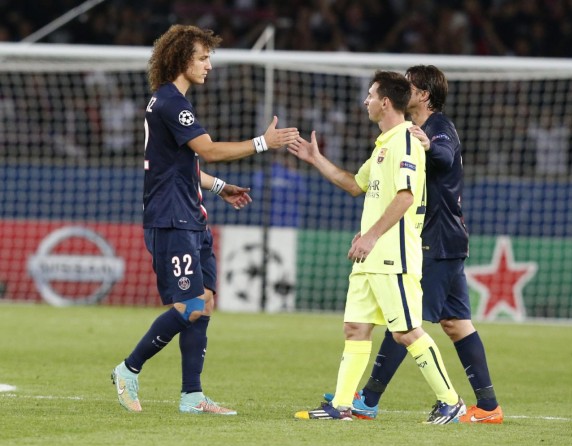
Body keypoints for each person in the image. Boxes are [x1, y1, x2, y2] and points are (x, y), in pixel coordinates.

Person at [110, 24, 299, 414]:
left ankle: (192, 396)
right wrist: (264, 142)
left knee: (206, 301)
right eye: (203, 57)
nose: (209, 65)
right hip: (171, 218)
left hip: (191, 214)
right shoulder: (170, 103)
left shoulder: (173, 101)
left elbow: (184, 166)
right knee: (193, 302)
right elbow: (208, 150)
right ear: (182, 59)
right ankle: (128, 368)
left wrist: (220, 188)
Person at [325, 65, 503, 424]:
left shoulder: (438, 128)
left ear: (423, 95)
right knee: (455, 323)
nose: (403, 89)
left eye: (409, 85)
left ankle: (368, 399)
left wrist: (426, 147)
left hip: (436, 239)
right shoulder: (408, 132)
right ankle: (487, 406)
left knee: (405, 322)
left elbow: (445, 156)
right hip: (444, 239)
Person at [289, 70, 465, 423]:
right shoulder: (384, 143)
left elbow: (405, 196)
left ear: (385, 102)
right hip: (370, 257)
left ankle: (451, 401)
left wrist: (370, 236)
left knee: (405, 331)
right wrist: (316, 159)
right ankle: (340, 406)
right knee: (355, 328)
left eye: (370, 95)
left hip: (392, 256)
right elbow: (355, 184)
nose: (365, 101)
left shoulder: (405, 141)